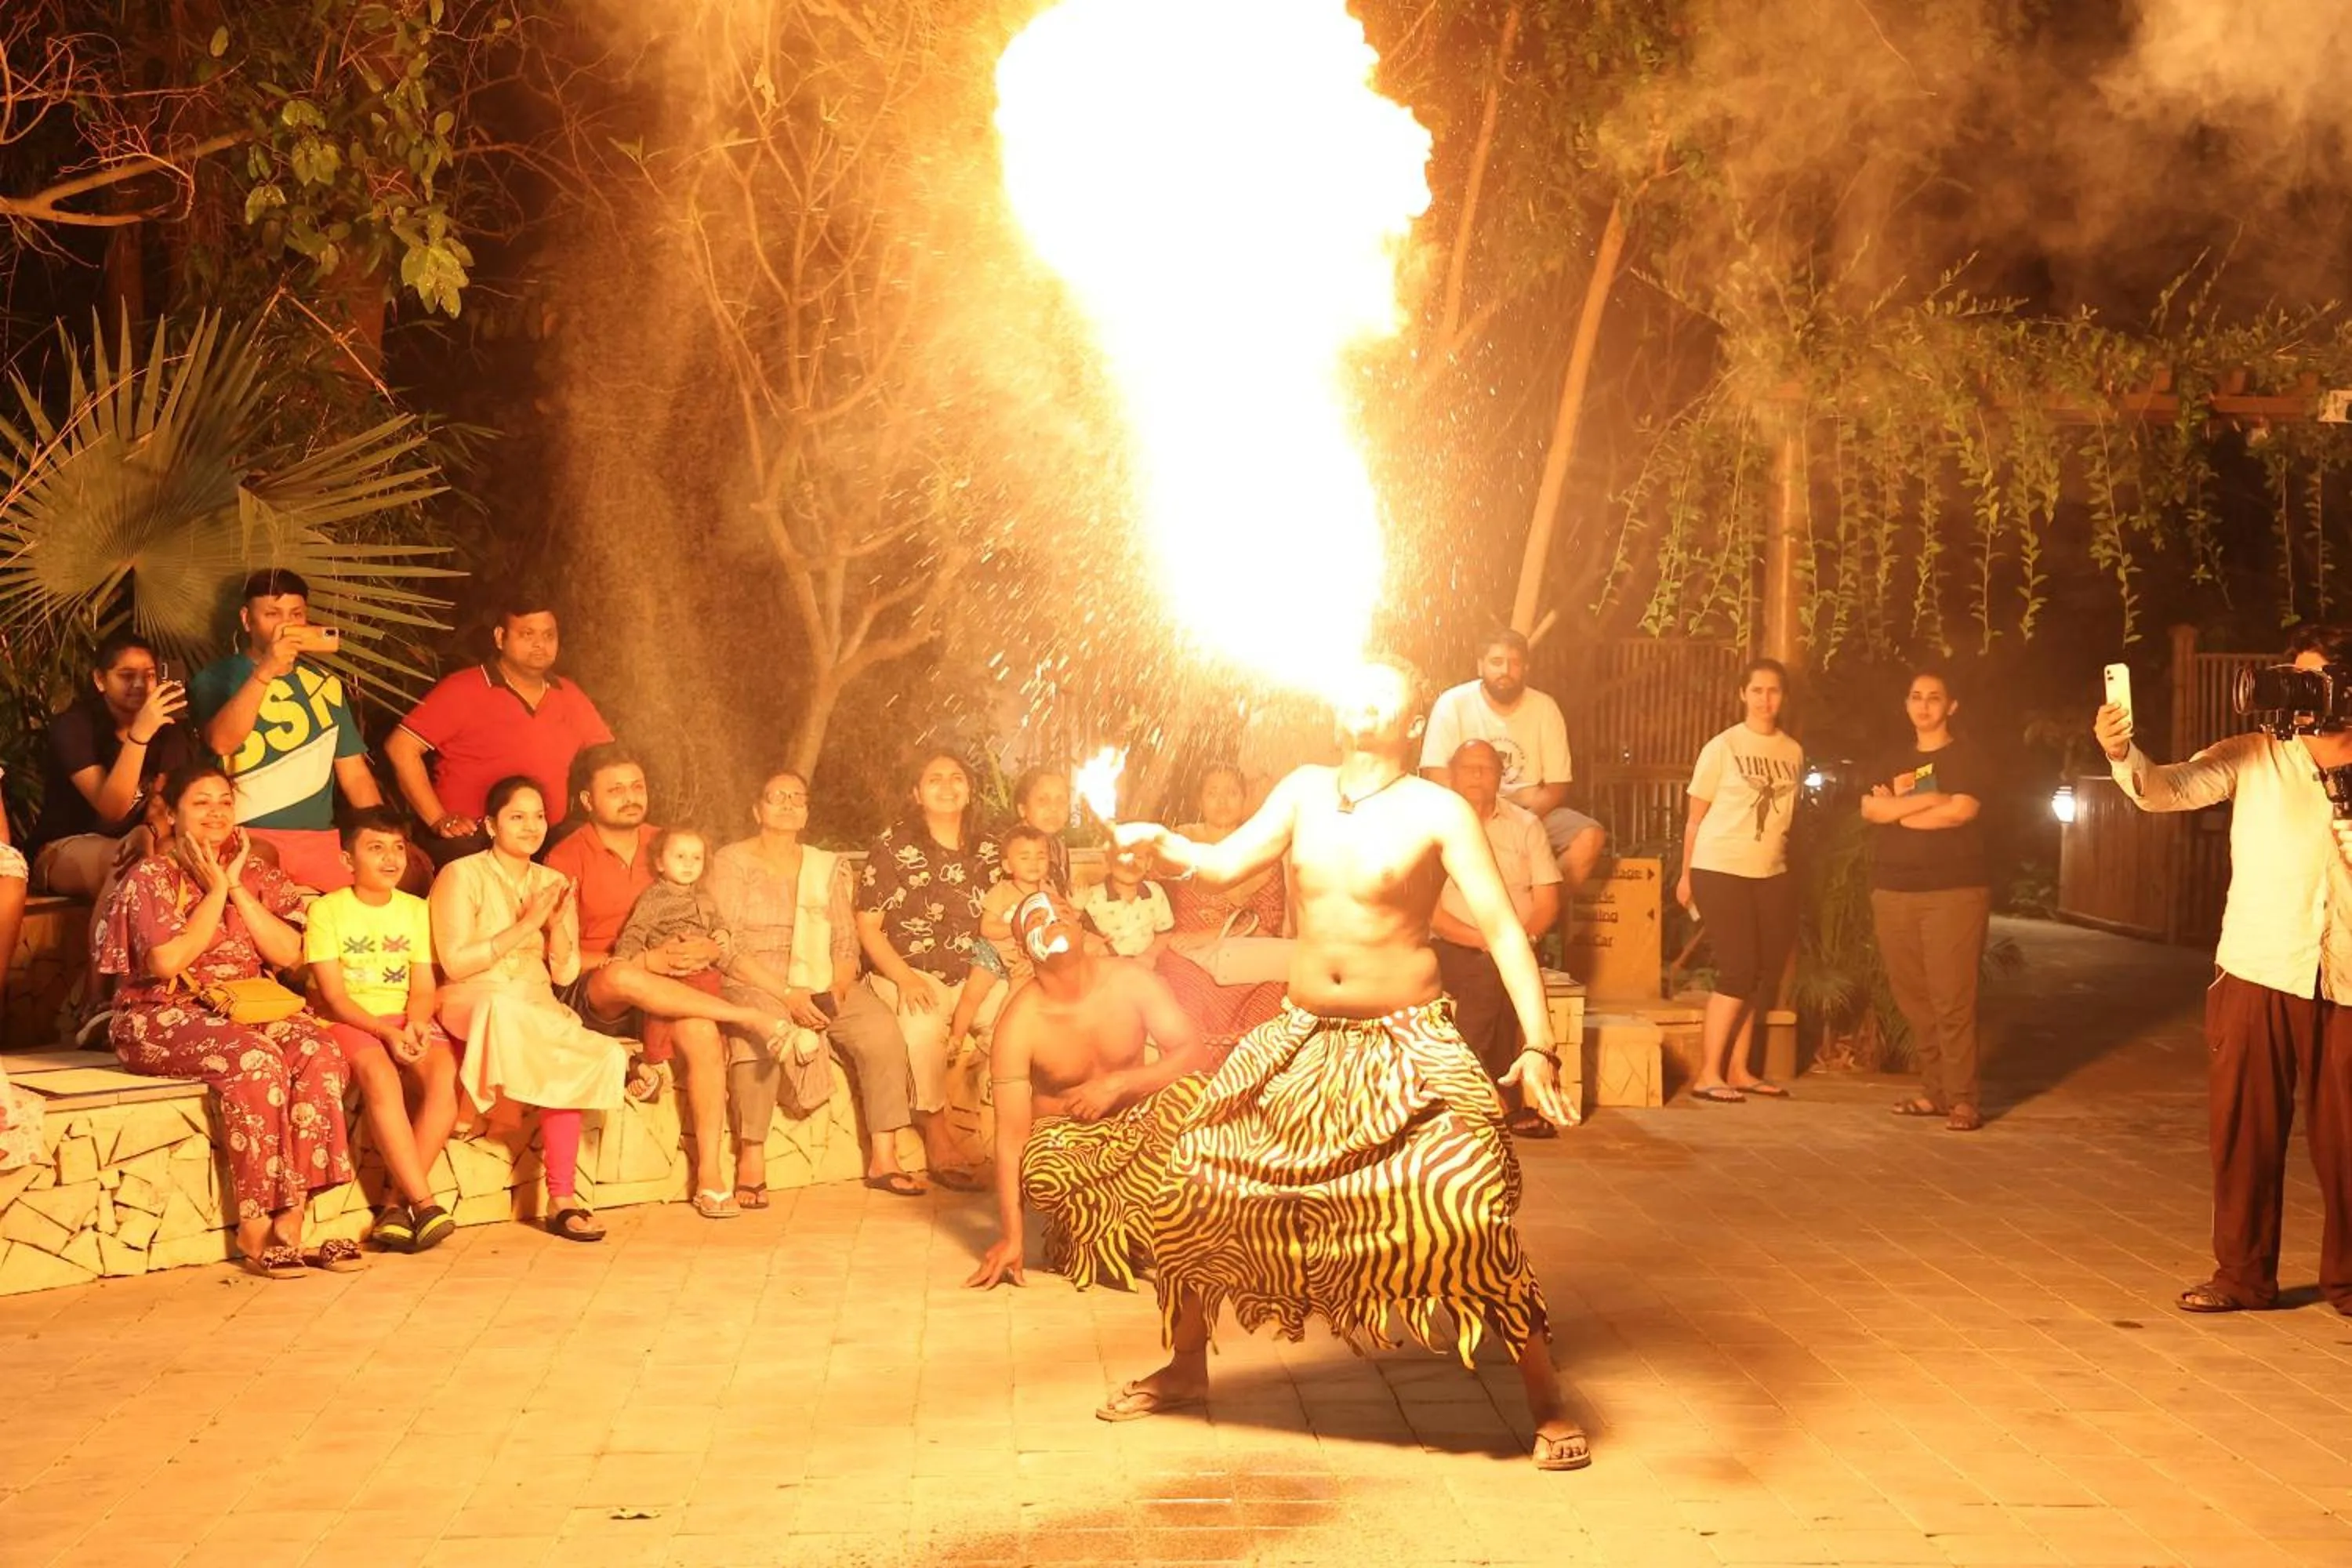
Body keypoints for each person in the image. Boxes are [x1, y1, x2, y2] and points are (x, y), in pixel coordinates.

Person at [1104, 659, 1588, 1472]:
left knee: (1468, 1204)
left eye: (1382, 686)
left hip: (1407, 1042)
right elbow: (1223, 869)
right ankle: (1188, 1367)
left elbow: (1505, 928)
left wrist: (1540, 1044)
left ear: (1410, 717)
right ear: (1337, 714)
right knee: (1192, 1178)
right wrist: (1162, 848)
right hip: (1301, 1037)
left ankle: (1545, 1397)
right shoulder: (1302, 789)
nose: (1362, 694)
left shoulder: (1438, 809)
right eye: (1351, 686)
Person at [2098, 626, 2352, 1317]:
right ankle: (2241, 1276)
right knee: (2244, 1132)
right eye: (2292, 678)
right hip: (2256, 963)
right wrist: (2122, 752)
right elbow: (2165, 789)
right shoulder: (2253, 755)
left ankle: (2349, 1282)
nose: (2299, 695)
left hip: (2348, 977)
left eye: (2314, 680)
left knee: (2349, 1141)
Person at [94, 764, 359, 1279]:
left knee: (318, 1052)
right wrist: (214, 891)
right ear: (172, 816)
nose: (216, 812)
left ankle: (295, 1219)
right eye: (201, 803)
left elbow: (289, 952)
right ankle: (255, 1223)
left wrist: (236, 887)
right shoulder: (151, 877)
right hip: (161, 1014)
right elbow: (167, 964)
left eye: (224, 802)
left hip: (247, 1006)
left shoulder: (257, 875)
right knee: (258, 1063)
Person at [543, 744, 790, 1220]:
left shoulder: (671, 843)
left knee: (699, 1030)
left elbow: (711, 919)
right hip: (600, 990)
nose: (631, 797)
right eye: (615, 790)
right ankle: (747, 1017)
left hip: (673, 990)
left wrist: (711, 948)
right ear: (588, 801)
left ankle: (712, 1177)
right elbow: (558, 953)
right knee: (621, 973)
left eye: (637, 786)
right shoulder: (568, 856)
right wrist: (643, 961)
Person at [966, 891, 1214, 1291]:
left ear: (1081, 926)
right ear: (1023, 949)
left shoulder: (1131, 979)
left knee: (1193, 1095)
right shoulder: (1020, 1023)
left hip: (1135, 1130)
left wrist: (1118, 1084)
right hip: (1072, 1146)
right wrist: (1012, 1236)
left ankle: (1137, 1222)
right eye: (1037, 919)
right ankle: (1118, 1226)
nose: (1052, 918)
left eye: (1061, 911)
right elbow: (1012, 1139)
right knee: (1042, 1168)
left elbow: (1195, 1055)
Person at [706, 771, 922, 1203]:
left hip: (821, 975)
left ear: (806, 811)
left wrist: (836, 991)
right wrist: (787, 995)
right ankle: (751, 1158)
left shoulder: (826, 865)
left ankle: (885, 1157)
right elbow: (726, 943)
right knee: (761, 1033)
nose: (788, 804)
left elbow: (845, 940)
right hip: (757, 977)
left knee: (879, 1030)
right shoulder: (732, 862)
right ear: (757, 810)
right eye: (777, 797)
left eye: (797, 798)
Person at [430, 775, 629, 1243]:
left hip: (535, 1003)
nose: (531, 826)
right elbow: (456, 964)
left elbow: (565, 974)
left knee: (596, 1051)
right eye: (517, 817)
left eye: (539, 816)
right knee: (505, 1008)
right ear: (491, 825)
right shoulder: (461, 875)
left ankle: (562, 1201)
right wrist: (527, 926)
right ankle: (474, 1106)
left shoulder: (554, 882)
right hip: (475, 997)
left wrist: (556, 927)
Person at [303, 808, 460, 1252]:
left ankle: (394, 1206)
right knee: (380, 1074)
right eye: (376, 848)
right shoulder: (327, 910)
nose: (391, 859)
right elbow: (334, 997)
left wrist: (414, 1023)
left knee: (445, 1079)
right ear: (348, 861)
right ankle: (426, 1204)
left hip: (403, 1019)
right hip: (350, 1020)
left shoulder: (415, 910)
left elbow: (424, 986)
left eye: (397, 848)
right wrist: (386, 1033)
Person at [188, 568, 391, 894]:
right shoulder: (216, 679)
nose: (285, 625)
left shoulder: (326, 684)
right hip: (246, 834)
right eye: (272, 614)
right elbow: (221, 742)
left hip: (319, 840)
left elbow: (354, 774)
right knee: (254, 878)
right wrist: (267, 669)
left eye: (296, 614)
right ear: (246, 619)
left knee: (398, 879)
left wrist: (381, 835)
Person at [858, 750, 1004, 1189]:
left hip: (978, 974)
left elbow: (1005, 918)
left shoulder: (990, 850)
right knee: (923, 1028)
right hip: (913, 971)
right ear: (916, 793)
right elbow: (868, 926)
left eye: (956, 777)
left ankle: (1024, 1138)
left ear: (970, 789)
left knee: (1021, 1019)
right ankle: (937, 1135)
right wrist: (904, 978)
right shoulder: (893, 847)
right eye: (934, 779)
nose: (947, 786)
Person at [386, 598, 613, 866]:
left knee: (597, 850)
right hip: (475, 838)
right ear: (499, 637)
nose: (540, 644)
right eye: (528, 634)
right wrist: (438, 819)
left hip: (545, 836)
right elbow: (401, 747)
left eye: (549, 635)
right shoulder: (464, 689)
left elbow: (607, 758)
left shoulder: (568, 695)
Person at [1864, 670, 1993, 1134]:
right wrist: (1929, 802)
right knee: (1914, 998)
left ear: (1951, 706)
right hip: (1894, 891)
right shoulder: (1892, 757)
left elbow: (1961, 812)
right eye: (1916, 697)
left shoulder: (1967, 757)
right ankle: (1934, 1091)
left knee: (1952, 998)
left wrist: (1901, 812)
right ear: (1906, 704)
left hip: (1953, 891)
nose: (1924, 705)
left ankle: (1963, 1099)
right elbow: (1871, 809)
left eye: (1934, 697)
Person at [1675, 659, 1804, 1104]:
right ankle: (1708, 1073)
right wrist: (1686, 874)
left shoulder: (1792, 751)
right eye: (1757, 690)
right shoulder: (1723, 747)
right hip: (1720, 866)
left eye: (1774, 691)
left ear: (1782, 697)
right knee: (1737, 968)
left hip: (1770, 871)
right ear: (1743, 695)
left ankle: (1740, 1069)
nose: (1766, 699)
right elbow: (1695, 819)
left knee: (1760, 974)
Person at [1432, 739, 1563, 1138]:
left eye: (1485, 768)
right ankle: (1503, 1100)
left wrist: (1523, 940)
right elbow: (1430, 914)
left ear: (1500, 776)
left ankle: (1465, 1095)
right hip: (1450, 945)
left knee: (1497, 973)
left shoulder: (1525, 825)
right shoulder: (1435, 824)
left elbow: (1547, 899)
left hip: (1515, 945)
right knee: (1494, 972)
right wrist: (1489, 942)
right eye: (1468, 768)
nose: (1476, 775)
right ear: (1452, 776)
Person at [1420, 628, 1608, 902]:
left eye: (1515, 663)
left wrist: (1521, 822)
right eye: (1496, 662)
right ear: (1480, 666)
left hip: (1530, 812)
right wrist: (1478, 817)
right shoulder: (1453, 704)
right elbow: (1435, 776)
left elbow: (1557, 786)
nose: (1506, 670)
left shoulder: (1544, 707)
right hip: (1467, 812)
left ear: (1525, 668)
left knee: (1589, 837)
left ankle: (1539, 914)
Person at [28, 631, 191, 902]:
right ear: (100, 680)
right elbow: (113, 808)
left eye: (149, 675)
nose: (140, 684)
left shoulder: (168, 728)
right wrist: (139, 736)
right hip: (64, 843)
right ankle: (110, 945)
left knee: (189, 858)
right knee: (130, 866)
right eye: (127, 676)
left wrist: (148, 830)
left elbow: (164, 802)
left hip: (141, 837)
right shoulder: (74, 726)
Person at [1153, 763, 1289, 1044]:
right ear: (1199, 800)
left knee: (1276, 988)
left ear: (1244, 799)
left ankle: (1250, 1076)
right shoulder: (1181, 842)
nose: (1223, 801)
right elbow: (1145, 886)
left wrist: (1213, 935)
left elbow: (1269, 922)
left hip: (1247, 952)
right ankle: (1192, 1075)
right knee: (1181, 984)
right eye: (1213, 793)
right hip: (1188, 954)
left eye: (1232, 792)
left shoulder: (1262, 847)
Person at [610, 826, 733, 1094]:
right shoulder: (655, 897)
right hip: (670, 969)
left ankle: (718, 1067)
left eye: (696, 858)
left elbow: (717, 921)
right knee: (663, 1013)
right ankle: (655, 1061)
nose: (689, 864)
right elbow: (636, 930)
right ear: (660, 863)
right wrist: (622, 958)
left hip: (704, 971)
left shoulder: (704, 896)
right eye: (680, 857)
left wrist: (722, 933)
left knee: (714, 1009)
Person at [978, 825, 1058, 996]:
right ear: (1007, 866)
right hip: (995, 955)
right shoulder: (1002, 891)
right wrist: (1017, 926)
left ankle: (1005, 1023)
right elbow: (986, 929)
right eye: (1025, 857)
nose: (1034, 863)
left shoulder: (1049, 894)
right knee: (974, 991)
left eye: (1041, 856)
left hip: (1030, 960)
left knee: (1020, 988)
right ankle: (959, 1024)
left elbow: (1056, 931)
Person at [1079, 843, 1174, 960]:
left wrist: (1149, 956)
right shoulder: (1091, 897)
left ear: (1149, 863)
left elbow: (1164, 933)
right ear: (1107, 862)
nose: (1131, 863)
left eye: (1139, 857)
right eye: (1123, 857)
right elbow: (1079, 936)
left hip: (1145, 964)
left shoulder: (1155, 892)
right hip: (1107, 965)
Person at [1012, 768, 1073, 891]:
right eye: (1043, 801)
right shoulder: (1010, 848)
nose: (1054, 809)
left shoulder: (1059, 848)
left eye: (1061, 801)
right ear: (1022, 809)